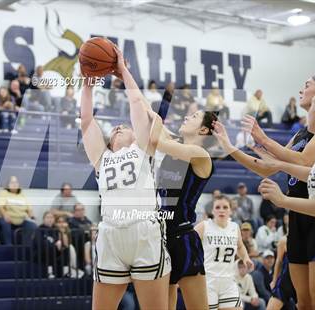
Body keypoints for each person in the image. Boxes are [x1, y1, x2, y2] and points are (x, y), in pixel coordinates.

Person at [212, 73, 315, 310]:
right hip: (298, 216)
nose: (301, 89)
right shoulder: (301, 134)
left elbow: (300, 162)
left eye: (306, 85)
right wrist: (231, 147)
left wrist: (266, 140)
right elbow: (268, 166)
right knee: (304, 302)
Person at [80, 46, 170, 310]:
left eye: (125, 126)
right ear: (109, 141)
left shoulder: (142, 148)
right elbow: (86, 120)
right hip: (111, 236)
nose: (120, 126)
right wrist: (87, 83)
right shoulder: (101, 158)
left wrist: (123, 71)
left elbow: (135, 103)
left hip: (145, 233)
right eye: (116, 129)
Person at [257, 84, 315, 310]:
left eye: (311, 108)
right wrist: (278, 164)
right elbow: (310, 174)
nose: (306, 113)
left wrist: (283, 201)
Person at [147, 93, 217, 309]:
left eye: (194, 116)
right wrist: (124, 74)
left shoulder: (200, 155)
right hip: (162, 237)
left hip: (184, 238)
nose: (187, 117)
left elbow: (156, 138)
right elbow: (150, 117)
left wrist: (160, 111)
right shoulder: (175, 145)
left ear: (204, 130)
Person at [195, 195, 254, 310]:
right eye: (217, 207)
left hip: (228, 281)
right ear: (212, 210)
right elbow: (186, 242)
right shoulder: (204, 226)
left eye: (225, 207)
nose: (221, 210)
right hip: (209, 281)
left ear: (230, 211)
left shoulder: (234, 227)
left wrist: (246, 258)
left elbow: (240, 246)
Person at [0, 176, 37, 245]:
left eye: (16, 182)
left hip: (21, 220)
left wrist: (31, 216)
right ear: (8, 185)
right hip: (7, 219)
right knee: (5, 223)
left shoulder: (22, 195)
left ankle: (25, 247)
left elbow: (29, 209)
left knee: (32, 225)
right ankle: (9, 246)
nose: (14, 184)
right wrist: (5, 215)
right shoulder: (4, 193)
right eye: (12, 182)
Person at [268, 236, 297, 310]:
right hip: (286, 280)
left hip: (301, 282)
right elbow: (279, 262)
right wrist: (274, 281)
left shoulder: (310, 240)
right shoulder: (284, 240)